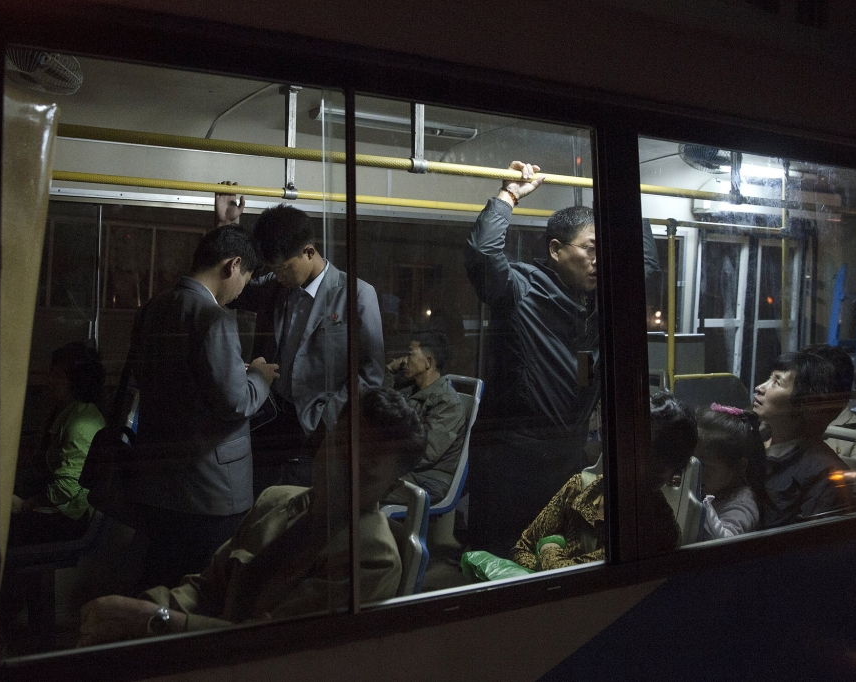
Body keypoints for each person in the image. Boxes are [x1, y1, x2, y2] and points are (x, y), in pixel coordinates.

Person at [77, 387, 425, 644]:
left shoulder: (370, 558)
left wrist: (157, 621)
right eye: (338, 446)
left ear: (391, 489)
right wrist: (144, 607)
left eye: (363, 472)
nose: (339, 470)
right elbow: (209, 584)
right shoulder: (277, 501)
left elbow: (273, 645)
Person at [465, 161, 660, 557]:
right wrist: (510, 195)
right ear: (556, 250)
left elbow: (645, 269)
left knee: (552, 553)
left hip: (566, 456)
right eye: (590, 249)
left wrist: (624, 201)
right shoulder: (521, 290)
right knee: (502, 556)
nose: (599, 260)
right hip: (510, 457)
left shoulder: (597, 304)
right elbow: (484, 253)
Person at [125, 225, 279, 590]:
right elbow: (235, 402)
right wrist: (258, 376)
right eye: (246, 278)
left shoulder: (152, 308)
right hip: (209, 491)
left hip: (157, 483)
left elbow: (150, 378)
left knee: (159, 579)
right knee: (200, 587)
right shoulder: (214, 319)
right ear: (233, 265)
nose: (242, 289)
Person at [218, 188, 385, 491]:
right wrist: (227, 226)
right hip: (270, 415)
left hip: (317, 425)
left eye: (284, 268)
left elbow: (370, 376)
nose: (279, 276)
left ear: (309, 252)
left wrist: (330, 419)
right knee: (258, 497)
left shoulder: (356, 295)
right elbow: (231, 289)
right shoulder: (276, 286)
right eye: (274, 270)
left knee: (303, 508)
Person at [511, 392, 696, 571]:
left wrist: (549, 545)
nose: (633, 476)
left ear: (673, 474)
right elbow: (521, 549)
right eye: (629, 460)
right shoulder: (579, 488)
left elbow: (583, 582)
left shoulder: (657, 528)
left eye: (652, 475)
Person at [9, 342, 106, 546]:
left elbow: (68, 486)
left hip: (68, 516)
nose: (49, 381)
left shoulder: (80, 424)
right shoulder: (66, 412)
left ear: (77, 382)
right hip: (55, 505)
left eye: (58, 376)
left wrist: (26, 505)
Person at [753, 344, 856, 529]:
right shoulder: (752, 441)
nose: (759, 387)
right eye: (769, 378)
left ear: (804, 404)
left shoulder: (826, 477)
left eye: (777, 382)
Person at [381, 332, 466, 505]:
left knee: (360, 487)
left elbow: (426, 452)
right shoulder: (412, 391)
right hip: (409, 471)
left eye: (410, 354)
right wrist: (389, 370)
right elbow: (381, 409)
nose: (404, 360)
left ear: (428, 362)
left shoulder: (447, 403)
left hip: (429, 480)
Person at [695, 404, 767, 541]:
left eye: (702, 465)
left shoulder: (743, 503)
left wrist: (698, 497)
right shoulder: (716, 487)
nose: (693, 471)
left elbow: (724, 542)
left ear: (739, 467)